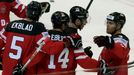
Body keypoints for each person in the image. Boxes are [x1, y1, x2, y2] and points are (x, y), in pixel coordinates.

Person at [36, 6, 99, 75]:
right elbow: (82, 60)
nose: (85, 22)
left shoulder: (46, 34)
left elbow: (36, 55)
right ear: (77, 21)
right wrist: (101, 66)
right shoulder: (75, 38)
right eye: (84, 20)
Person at [0, 1, 53, 75]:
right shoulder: (38, 28)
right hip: (24, 71)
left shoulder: (10, 25)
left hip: (7, 70)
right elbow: (45, 48)